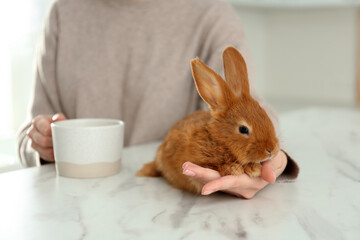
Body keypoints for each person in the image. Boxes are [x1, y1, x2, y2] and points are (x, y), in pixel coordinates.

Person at [17, 0, 298, 198]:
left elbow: (250, 110)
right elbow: (32, 129)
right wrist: (41, 144)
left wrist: (273, 162)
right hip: (76, 204)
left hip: (170, 206)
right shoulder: (64, 12)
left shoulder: (210, 13)